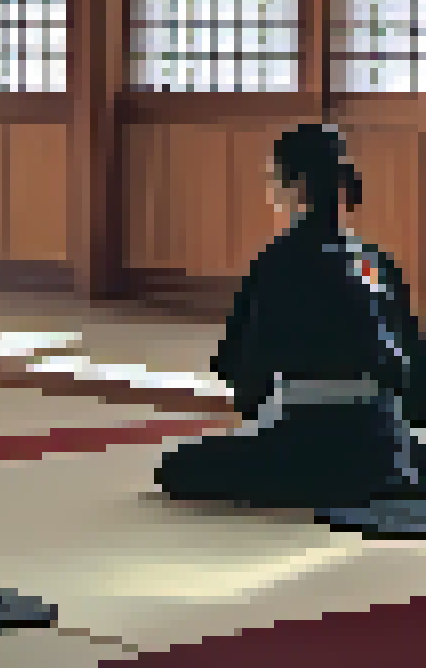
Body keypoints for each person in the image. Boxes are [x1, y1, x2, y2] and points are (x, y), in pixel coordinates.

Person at [155, 123, 426, 533]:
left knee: (176, 467)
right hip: (383, 442)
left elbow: (247, 368)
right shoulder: (375, 261)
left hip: (306, 440)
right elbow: (413, 367)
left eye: (274, 180)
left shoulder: (281, 259)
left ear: (295, 184)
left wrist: (259, 416)